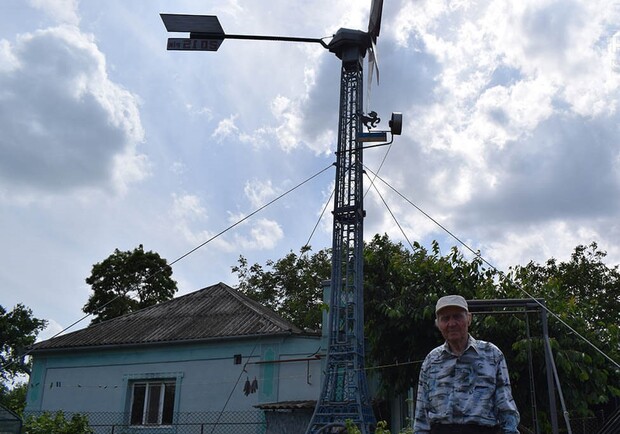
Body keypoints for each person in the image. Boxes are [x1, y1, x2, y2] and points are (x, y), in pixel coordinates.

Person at [413, 295, 520, 434]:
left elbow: (506, 407)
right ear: (438, 324)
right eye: (445, 319)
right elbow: (421, 415)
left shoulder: (492, 354)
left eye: (457, 316)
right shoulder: (431, 361)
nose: (451, 324)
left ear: (469, 318)